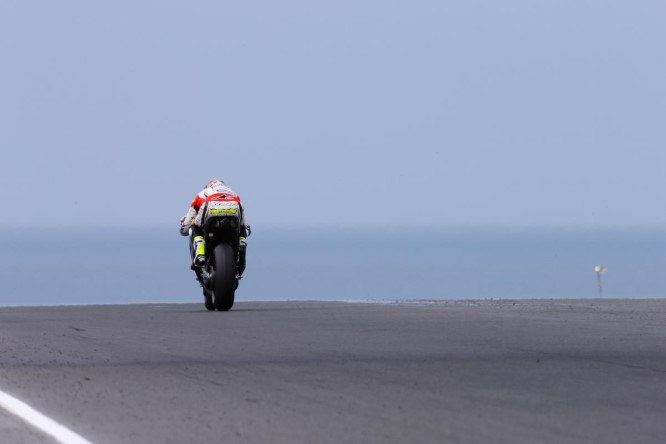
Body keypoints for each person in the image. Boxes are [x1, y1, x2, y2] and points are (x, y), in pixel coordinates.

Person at [179, 179, 251, 280]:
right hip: (233, 207)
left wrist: (184, 229)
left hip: (211, 208)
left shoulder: (202, 194)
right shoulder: (232, 192)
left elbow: (187, 225)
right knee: (242, 227)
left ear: (209, 186)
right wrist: (246, 230)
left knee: (195, 226)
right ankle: (241, 242)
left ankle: (200, 252)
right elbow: (245, 222)